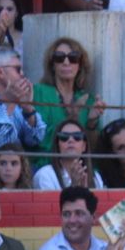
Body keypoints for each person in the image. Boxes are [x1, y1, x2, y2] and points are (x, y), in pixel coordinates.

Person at [0, 45, 46, 173]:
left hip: (18, 164)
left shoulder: (15, 94)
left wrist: (28, 109)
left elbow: (35, 139)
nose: (23, 74)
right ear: (0, 72)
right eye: (18, 69)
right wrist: (10, 102)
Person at [31, 37, 100, 169]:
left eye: (73, 57)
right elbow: (40, 139)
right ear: (52, 64)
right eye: (59, 57)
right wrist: (73, 116)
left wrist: (91, 123)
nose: (66, 62)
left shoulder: (88, 100)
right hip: (47, 166)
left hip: (81, 167)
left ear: (80, 65)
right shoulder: (39, 92)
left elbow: (93, 147)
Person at [34, 118, 104, 190]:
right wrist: (74, 187)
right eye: (64, 137)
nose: (71, 140)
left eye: (77, 136)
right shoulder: (45, 175)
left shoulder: (95, 177)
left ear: (84, 146)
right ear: (57, 145)